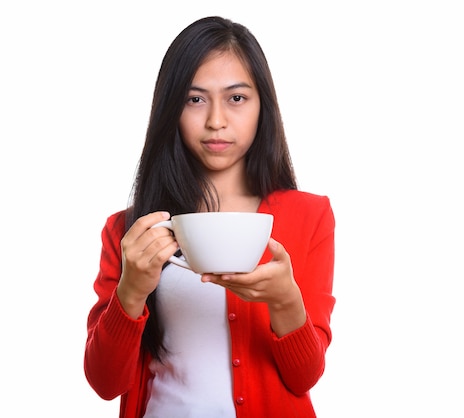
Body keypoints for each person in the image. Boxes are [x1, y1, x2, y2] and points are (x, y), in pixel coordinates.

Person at [84, 16, 335, 418]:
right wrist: (130, 292)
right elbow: (105, 383)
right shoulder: (129, 230)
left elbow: (303, 377)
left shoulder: (309, 215)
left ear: (262, 106)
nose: (216, 120)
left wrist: (286, 301)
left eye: (236, 98)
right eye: (195, 99)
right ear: (172, 109)